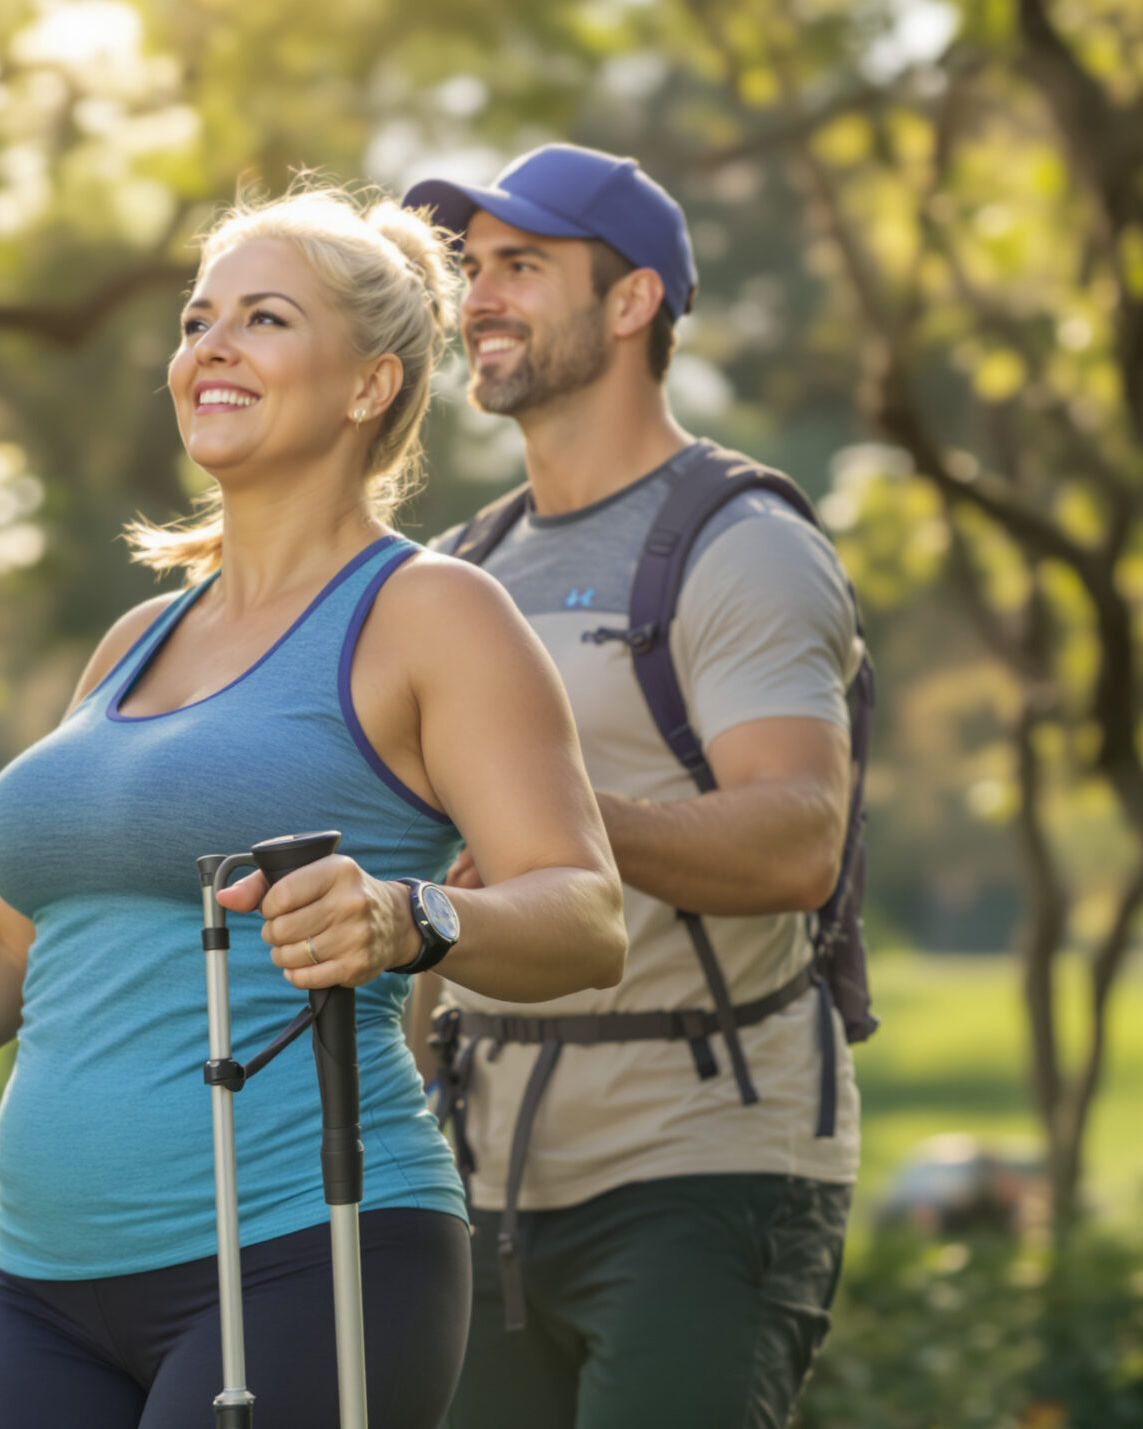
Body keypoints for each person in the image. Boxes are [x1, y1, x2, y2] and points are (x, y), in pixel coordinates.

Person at [0, 185, 628, 1429]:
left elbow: (585, 914)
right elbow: (15, 935)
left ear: (371, 385)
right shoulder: (134, 643)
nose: (208, 347)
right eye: (197, 318)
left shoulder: (432, 615)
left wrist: (405, 917)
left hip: (303, 1250)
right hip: (44, 1284)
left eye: (262, 319)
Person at [400, 144, 871, 1429]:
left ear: (631, 302)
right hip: (480, 1170)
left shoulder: (742, 545)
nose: (479, 297)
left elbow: (797, 842)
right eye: (472, 268)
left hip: (703, 1160)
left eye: (523, 267)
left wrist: (554, 822)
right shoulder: (460, 565)